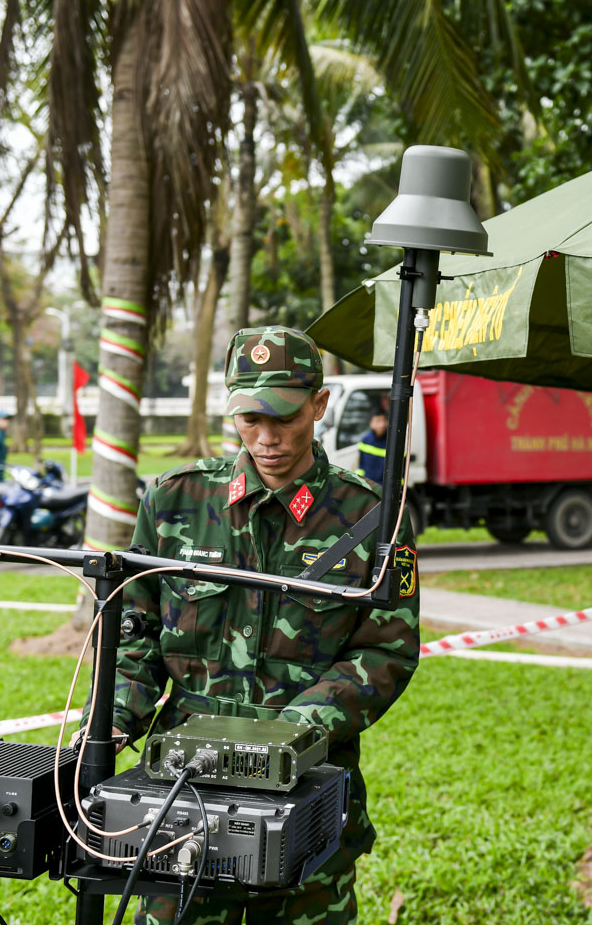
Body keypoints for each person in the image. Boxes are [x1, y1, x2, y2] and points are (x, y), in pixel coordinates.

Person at [110, 325, 420, 925]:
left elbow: (386, 650)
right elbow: (135, 632)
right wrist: (118, 721)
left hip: (308, 795)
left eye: (284, 417)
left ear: (320, 404)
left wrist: (291, 738)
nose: (268, 438)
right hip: (183, 793)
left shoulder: (373, 517)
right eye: (250, 419)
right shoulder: (176, 502)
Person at [357, 409, 389, 485]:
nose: (382, 424)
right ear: (371, 423)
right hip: (367, 484)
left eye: (384, 420)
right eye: (378, 421)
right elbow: (361, 465)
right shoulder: (365, 440)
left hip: (384, 487)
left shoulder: (392, 442)